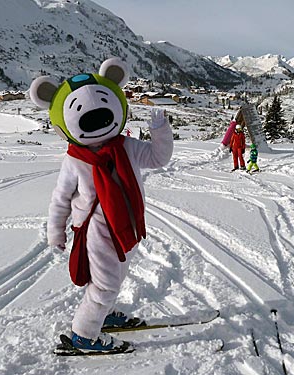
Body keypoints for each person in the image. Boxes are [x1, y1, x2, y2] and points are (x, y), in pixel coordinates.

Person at [29, 58, 173, 353]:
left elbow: (159, 159)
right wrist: (55, 231)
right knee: (105, 285)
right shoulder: (75, 161)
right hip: (97, 231)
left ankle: (103, 315)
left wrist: (160, 131)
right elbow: (60, 199)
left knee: (116, 277)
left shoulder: (128, 147)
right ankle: (84, 334)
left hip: (127, 227)